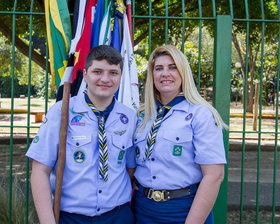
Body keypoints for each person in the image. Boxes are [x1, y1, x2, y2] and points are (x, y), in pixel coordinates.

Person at [26, 45, 137, 224]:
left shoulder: (129, 118)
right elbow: (40, 170)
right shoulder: (62, 112)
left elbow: (130, 168)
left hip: (117, 216)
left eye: (113, 73)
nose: (105, 79)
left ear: (121, 76)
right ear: (85, 75)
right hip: (71, 218)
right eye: (97, 71)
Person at [132, 45, 227, 224]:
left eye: (172, 67)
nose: (165, 73)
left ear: (183, 73)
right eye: (159, 68)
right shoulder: (142, 115)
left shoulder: (201, 114)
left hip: (183, 210)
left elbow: (214, 176)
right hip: (143, 209)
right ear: (152, 76)